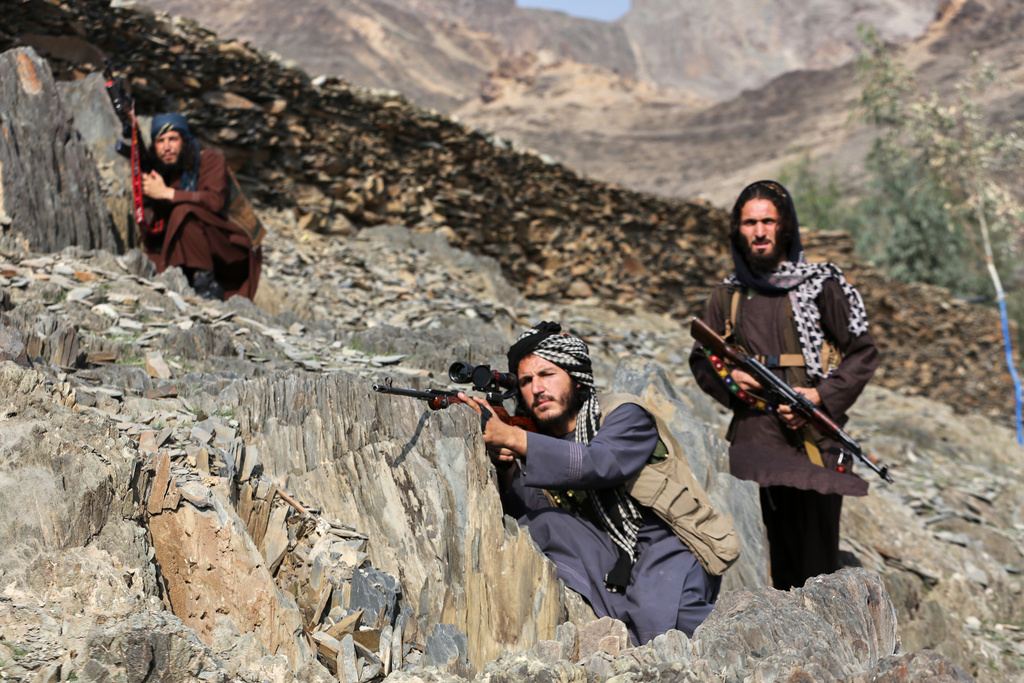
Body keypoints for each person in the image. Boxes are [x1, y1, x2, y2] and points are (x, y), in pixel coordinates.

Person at [459, 322, 722, 645]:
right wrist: (506, 467)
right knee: (541, 523)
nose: (536, 388)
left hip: (670, 543)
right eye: (526, 381)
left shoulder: (623, 414)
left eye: (547, 374)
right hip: (610, 553)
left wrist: (512, 437)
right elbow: (530, 514)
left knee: (670, 624)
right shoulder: (536, 441)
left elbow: (600, 463)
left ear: (576, 376)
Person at [689, 180, 879, 591]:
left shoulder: (823, 285)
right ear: (737, 230)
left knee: (816, 566)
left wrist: (819, 396)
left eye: (768, 221)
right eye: (750, 222)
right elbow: (703, 359)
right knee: (754, 562)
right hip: (753, 440)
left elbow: (862, 354)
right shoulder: (727, 296)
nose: (759, 231)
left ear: (785, 227)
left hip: (813, 439)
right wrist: (732, 380)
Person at [141, 113, 261, 300]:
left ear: (185, 141)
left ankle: (205, 283)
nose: (167, 147)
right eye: (160, 141)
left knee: (184, 212)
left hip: (232, 248)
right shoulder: (165, 176)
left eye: (173, 139)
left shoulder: (210, 160)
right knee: (148, 259)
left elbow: (214, 201)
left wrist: (167, 193)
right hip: (194, 249)